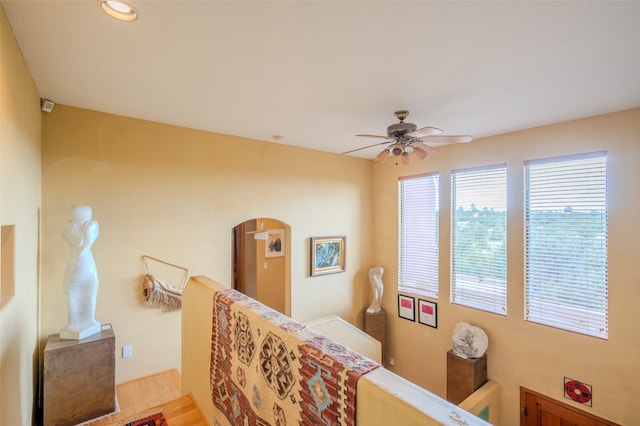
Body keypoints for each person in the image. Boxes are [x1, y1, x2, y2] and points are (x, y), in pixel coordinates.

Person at [60, 205, 101, 339]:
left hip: (87, 264)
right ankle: (73, 323)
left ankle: (89, 320)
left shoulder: (91, 227)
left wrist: (86, 230)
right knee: (71, 290)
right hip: (77, 263)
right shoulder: (69, 228)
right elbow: (78, 243)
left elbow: (85, 242)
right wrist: (82, 230)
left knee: (91, 288)